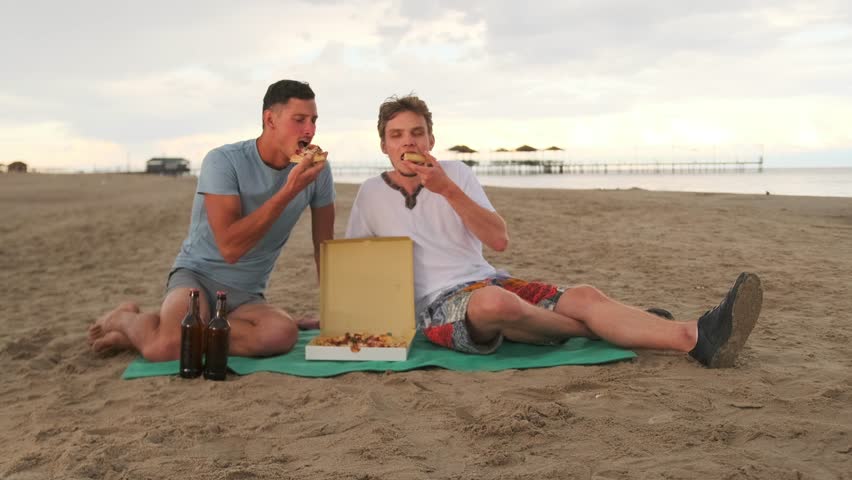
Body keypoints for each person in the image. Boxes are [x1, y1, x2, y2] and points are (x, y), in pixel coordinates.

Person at [344, 94, 762, 368]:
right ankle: (619, 326)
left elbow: (499, 240)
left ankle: (694, 335)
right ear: (383, 145)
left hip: (486, 279)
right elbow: (357, 267)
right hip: (435, 307)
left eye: (416, 132)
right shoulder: (369, 194)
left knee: (583, 295)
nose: (407, 141)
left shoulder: (456, 174)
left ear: (431, 137)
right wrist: (340, 315)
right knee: (494, 306)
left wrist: (447, 189)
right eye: (396, 135)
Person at [87, 79, 335, 361]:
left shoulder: (319, 173)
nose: (310, 130)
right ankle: (124, 320)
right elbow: (230, 248)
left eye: (314, 121)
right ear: (270, 120)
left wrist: (333, 313)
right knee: (167, 348)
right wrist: (289, 190)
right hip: (197, 277)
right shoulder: (223, 161)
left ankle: (169, 331)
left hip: (246, 295)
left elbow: (324, 248)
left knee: (282, 334)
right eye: (299, 120)